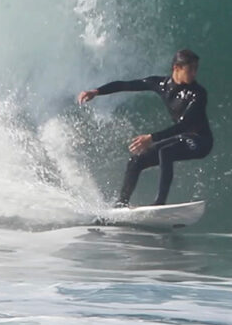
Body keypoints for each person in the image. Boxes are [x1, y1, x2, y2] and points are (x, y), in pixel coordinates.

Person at [77, 49, 213, 207]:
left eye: (196, 69)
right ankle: (121, 203)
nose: (194, 73)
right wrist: (97, 91)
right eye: (191, 69)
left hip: (200, 141)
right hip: (181, 138)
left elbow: (183, 125)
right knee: (136, 160)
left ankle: (159, 203)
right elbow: (126, 85)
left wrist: (152, 138)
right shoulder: (161, 84)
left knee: (166, 151)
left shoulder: (198, 93)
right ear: (177, 68)